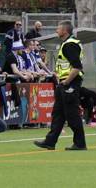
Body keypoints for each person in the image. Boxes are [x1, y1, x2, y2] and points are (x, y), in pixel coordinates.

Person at [34, 20, 87, 151]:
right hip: (63, 82)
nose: (56, 30)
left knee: (72, 114)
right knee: (58, 114)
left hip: (69, 83)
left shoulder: (69, 45)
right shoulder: (66, 44)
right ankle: (50, 141)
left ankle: (80, 143)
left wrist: (67, 81)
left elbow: (77, 67)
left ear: (65, 31)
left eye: (58, 28)